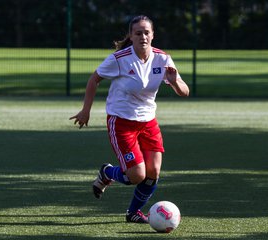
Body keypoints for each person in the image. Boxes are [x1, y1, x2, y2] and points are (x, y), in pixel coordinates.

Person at [70, 15, 189, 223]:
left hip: (148, 122)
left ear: (153, 35)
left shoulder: (163, 59)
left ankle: (133, 213)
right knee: (137, 176)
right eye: (138, 33)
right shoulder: (120, 59)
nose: (143, 36)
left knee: (153, 172)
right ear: (131, 36)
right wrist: (85, 110)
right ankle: (107, 172)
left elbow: (184, 91)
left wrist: (174, 82)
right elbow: (94, 79)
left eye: (146, 32)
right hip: (122, 121)